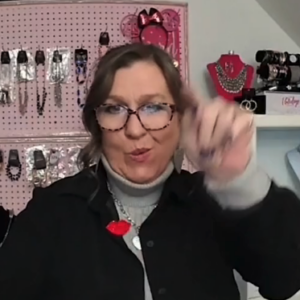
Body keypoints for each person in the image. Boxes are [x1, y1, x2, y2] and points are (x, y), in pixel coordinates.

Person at [0, 43, 300, 300]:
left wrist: (238, 177)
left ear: (180, 118)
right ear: (96, 123)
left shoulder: (212, 201)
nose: (134, 130)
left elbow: (285, 279)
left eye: (154, 107)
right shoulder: (53, 211)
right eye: (114, 109)